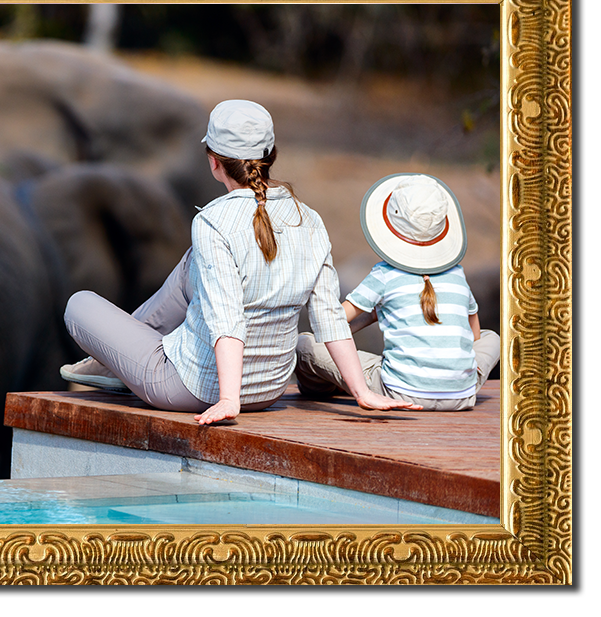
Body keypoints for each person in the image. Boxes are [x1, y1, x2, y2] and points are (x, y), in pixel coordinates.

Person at [61, 100, 420, 424]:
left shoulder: (212, 221)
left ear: (213, 162)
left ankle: (111, 364)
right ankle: (111, 365)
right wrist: (362, 392)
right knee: (192, 265)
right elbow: (329, 315)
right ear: (271, 155)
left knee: (79, 305)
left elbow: (227, 316)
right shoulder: (309, 218)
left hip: (192, 389)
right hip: (270, 389)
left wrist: (229, 399)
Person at [295, 174, 500, 411]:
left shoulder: (384, 274)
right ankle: (450, 379)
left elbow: (330, 322)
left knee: (305, 345)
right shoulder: (457, 274)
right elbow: (474, 336)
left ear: (390, 225)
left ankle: (329, 388)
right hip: (462, 395)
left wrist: (368, 318)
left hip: (399, 390)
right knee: (491, 338)